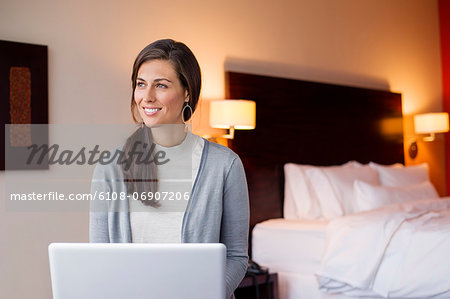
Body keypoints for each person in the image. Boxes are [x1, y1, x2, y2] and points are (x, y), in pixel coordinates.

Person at [89, 39, 249, 299]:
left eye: (161, 85)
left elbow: (236, 257)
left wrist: (207, 293)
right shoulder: (110, 167)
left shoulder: (225, 165)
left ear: (187, 92)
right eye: (141, 84)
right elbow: (100, 257)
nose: (147, 97)